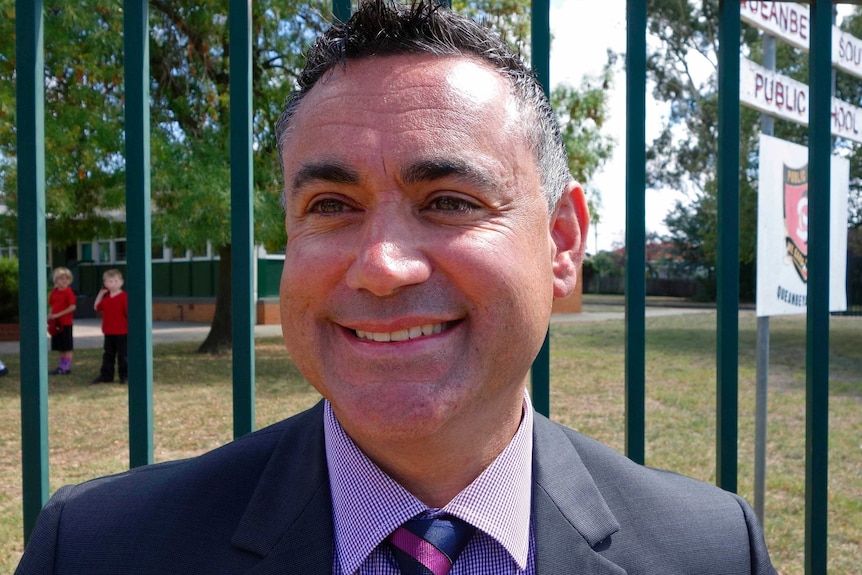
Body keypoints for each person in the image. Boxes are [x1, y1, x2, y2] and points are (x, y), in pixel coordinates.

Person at [16, 2, 778, 573]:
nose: (381, 265)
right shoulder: (96, 548)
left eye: (449, 200)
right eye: (331, 207)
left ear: (562, 241)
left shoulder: (712, 550)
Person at [90, 269, 128, 385]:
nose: (113, 284)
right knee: (108, 355)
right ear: (105, 283)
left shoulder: (124, 297)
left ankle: (125, 376)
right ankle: (106, 375)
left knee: (123, 355)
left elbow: (127, 313)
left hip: (122, 331)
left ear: (121, 282)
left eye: (115, 281)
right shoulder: (106, 299)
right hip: (109, 331)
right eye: (110, 281)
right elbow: (96, 307)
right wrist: (101, 293)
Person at [47, 266, 76, 375]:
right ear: (56, 280)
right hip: (56, 323)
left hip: (65, 323)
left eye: (66, 279)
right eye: (61, 278)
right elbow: (52, 305)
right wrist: (49, 316)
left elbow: (72, 306)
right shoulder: (54, 292)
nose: (64, 281)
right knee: (60, 346)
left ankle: (66, 367)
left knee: (67, 346)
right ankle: (61, 366)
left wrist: (58, 314)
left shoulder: (68, 292)